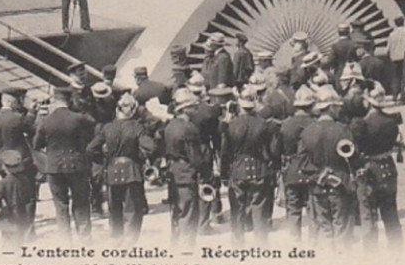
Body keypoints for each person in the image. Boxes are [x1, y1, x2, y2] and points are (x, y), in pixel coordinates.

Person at [87, 92, 152, 243]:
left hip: (111, 170)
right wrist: (140, 157)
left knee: (114, 207)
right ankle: (130, 240)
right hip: (132, 170)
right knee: (132, 209)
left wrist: (105, 159)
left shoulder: (107, 128)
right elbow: (150, 147)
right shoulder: (137, 127)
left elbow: (90, 149)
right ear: (134, 110)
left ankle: (116, 238)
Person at [33, 86, 96, 240]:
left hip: (54, 167)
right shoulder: (78, 118)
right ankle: (85, 239)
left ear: (54, 101)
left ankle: (65, 240)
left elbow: (36, 144)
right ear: (70, 101)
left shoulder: (46, 121)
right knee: (81, 203)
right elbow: (92, 124)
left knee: (61, 205)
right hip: (77, 165)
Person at [221, 85, 279, 242]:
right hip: (259, 169)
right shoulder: (263, 125)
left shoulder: (231, 125)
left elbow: (225, 152)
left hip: (237, 170)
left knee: (236, 210)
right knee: (259, 209)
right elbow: (272, 151)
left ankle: (237, 243)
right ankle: (261, 244)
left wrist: (223, 173)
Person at [299, 87, 356, 244]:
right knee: (342, 229)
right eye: (337, 107)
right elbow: (353, 158)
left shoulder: (307, 132)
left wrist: (320, 177)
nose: (338, 110)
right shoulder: (343, 129)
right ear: (331, 107)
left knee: (324, 228)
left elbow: (302, 162)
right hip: (340, 183)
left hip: (317, 186)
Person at [350, 84, 402, 250]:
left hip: (369, 170)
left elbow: (357, 148)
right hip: (388, 168)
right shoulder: (392, 122)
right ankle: (397, 252)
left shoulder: (362, 125)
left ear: (369, 103)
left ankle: (371, 255)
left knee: (369, 215)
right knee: (391, 213)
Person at [163, 89, 212, 243]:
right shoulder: (189, 128)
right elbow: (195, 158)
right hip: (186, 173)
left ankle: (175, 245)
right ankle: (186, 251)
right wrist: (206, 174)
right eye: (193, 107)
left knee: (176, 213)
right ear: (184, 109)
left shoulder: (170, 125)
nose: (196, 109)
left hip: (173, 172)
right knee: (189, 214)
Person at [278, 86, 316, 240]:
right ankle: (313, 241)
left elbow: (277, 149)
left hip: (291, 169)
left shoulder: (286, 124)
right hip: (311, 169)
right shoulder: (315, 123)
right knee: (312, 208)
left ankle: (295, 241)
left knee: (293, 208)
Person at [0, 87, 36, 182]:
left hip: (4, 163)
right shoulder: (18, 118)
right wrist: (31, 113)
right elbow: (32, 130)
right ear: (12, 102)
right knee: (28, 191)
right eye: (18, 101)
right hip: (22, 161)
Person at [0, 149, 36, 245]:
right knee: (20, 241)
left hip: (7, 217)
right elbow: (29, 198)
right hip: (22, 215)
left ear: (4, 167)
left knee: (8, 241)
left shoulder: (3, 183)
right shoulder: (25, 180)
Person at [386, 17, 405, 102]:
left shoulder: (392, 34)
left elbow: (388, 48)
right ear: (403, 22)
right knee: (404, 78)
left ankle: (394, 96)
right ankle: (402, 98)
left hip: (395, 59)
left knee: (396, 77)